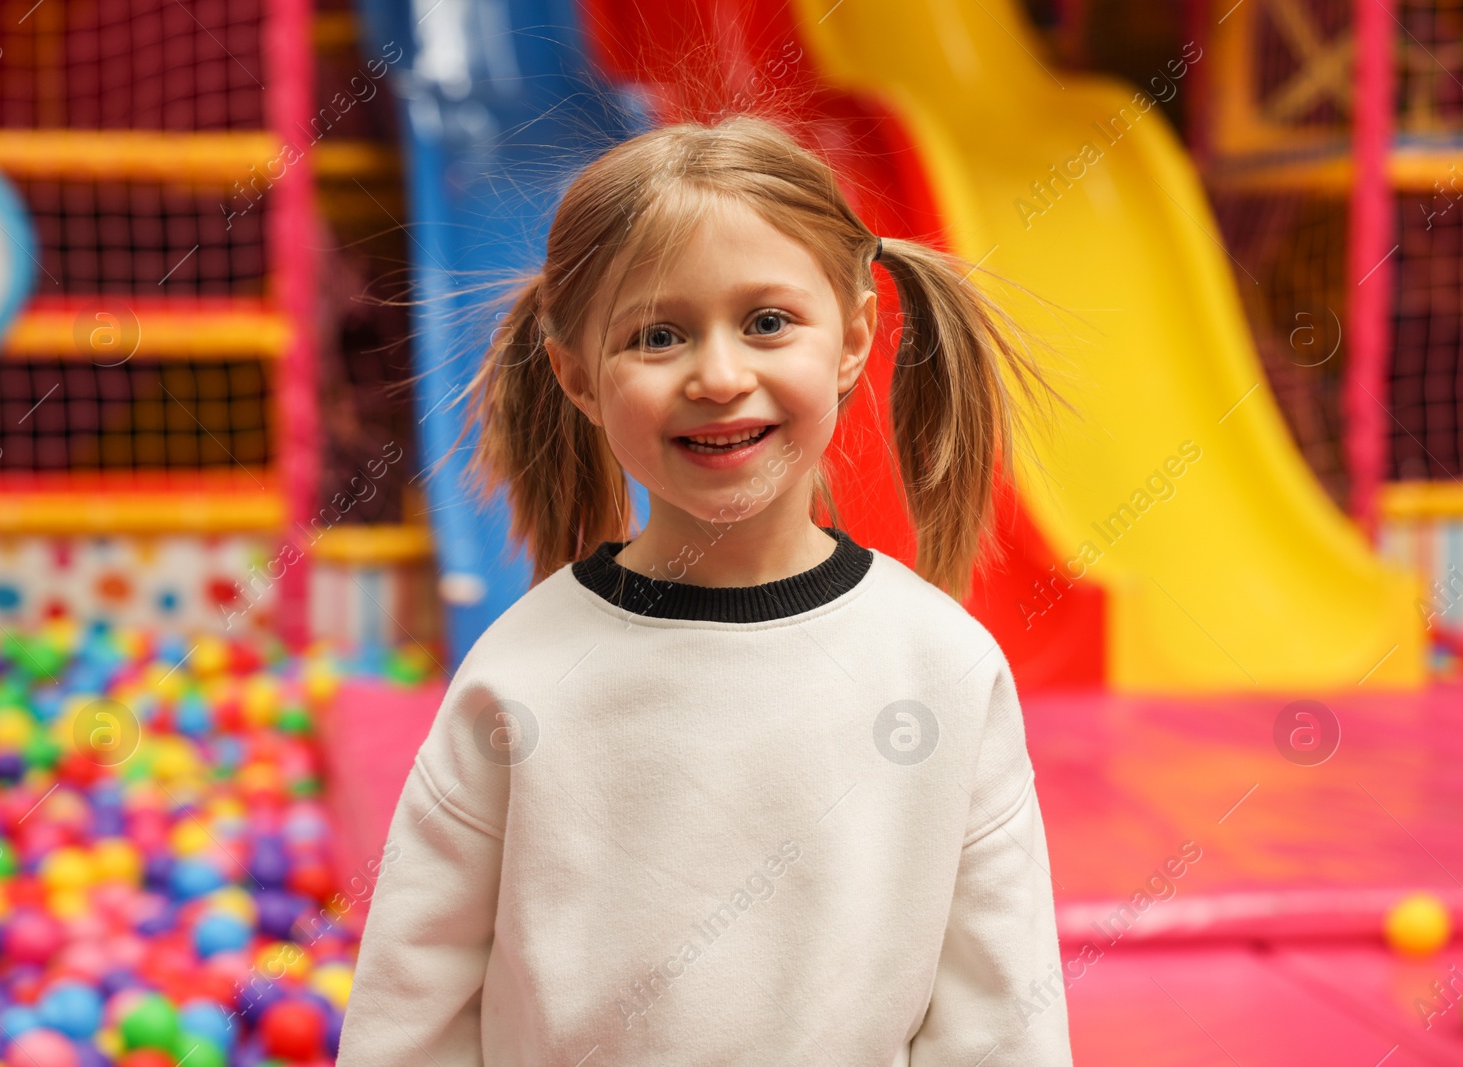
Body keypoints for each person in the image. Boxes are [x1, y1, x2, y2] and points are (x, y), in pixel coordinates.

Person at [336, 113, 1072, 1065]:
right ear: (576, 375)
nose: (720, 376)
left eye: (767, 322)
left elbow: (999, 1015)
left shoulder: (943, 667)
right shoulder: (520, 675)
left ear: (852, 338)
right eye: (658, 334)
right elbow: (414, 1003)